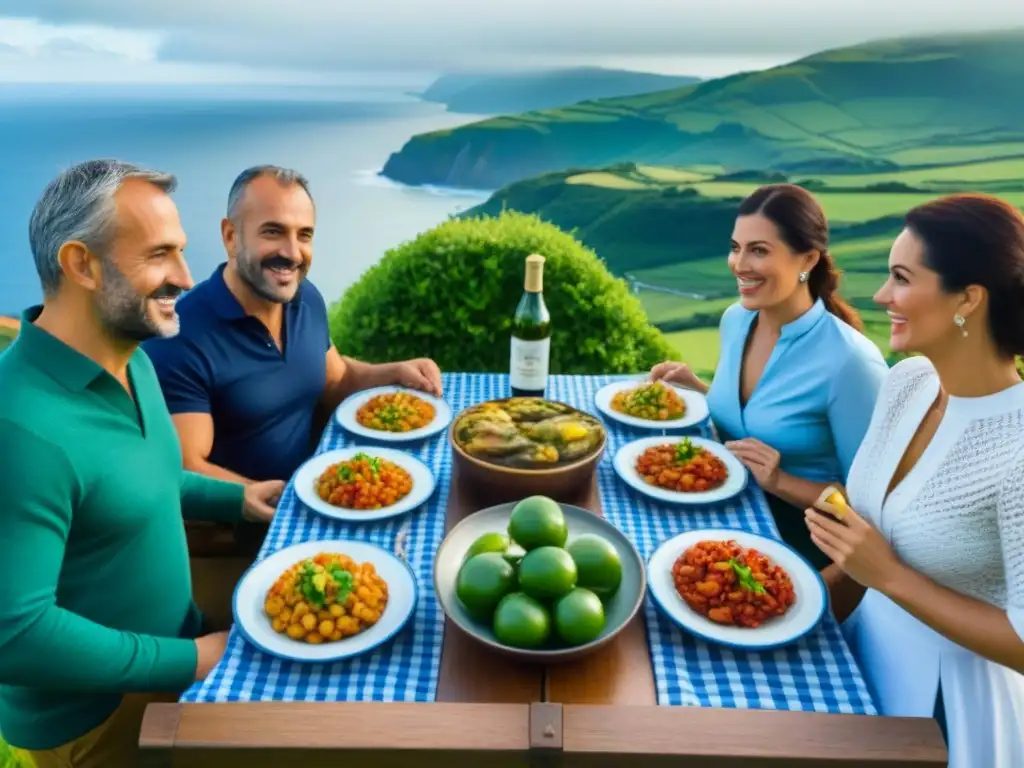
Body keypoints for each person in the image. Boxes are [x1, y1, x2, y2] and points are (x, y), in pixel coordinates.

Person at [0, 159, 284, 767]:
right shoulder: (19, 430)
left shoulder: (133, 358)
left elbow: (136, 477)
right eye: (159, 255)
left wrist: (237, 498)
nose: (185, 275)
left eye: (180, 251)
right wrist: (194, 659)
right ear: (81, 264)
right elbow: (15, 634)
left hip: (171, 656)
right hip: (95, 722)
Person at [804, 193, 1024, 766]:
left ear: (968, 299)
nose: (880, 296)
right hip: (859, 660)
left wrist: (891, 578)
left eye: (901, 278)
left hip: (949, 712)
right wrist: (794, 605)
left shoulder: (1018, 449)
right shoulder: (907, 382)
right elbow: (869, 542)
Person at [144, 165, 442, 491]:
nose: (292, 253)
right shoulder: (180, 337)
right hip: (245, 527)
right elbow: (187, 469)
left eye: (304, 235)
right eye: (273, 232)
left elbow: (336, 380)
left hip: (324, 486)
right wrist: (283, 501)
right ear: (231, 237)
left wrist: (395, 373)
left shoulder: (306, 298)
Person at [650, 184, 888, 569]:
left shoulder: (852, 363)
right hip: (724, 508)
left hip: (801, 539)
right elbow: (760, 418)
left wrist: (782, 482)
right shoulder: (736, 319)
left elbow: (867, 508)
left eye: (759, 250)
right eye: (736, 247)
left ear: (808, 259)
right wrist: (698, 390)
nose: (739, 264)